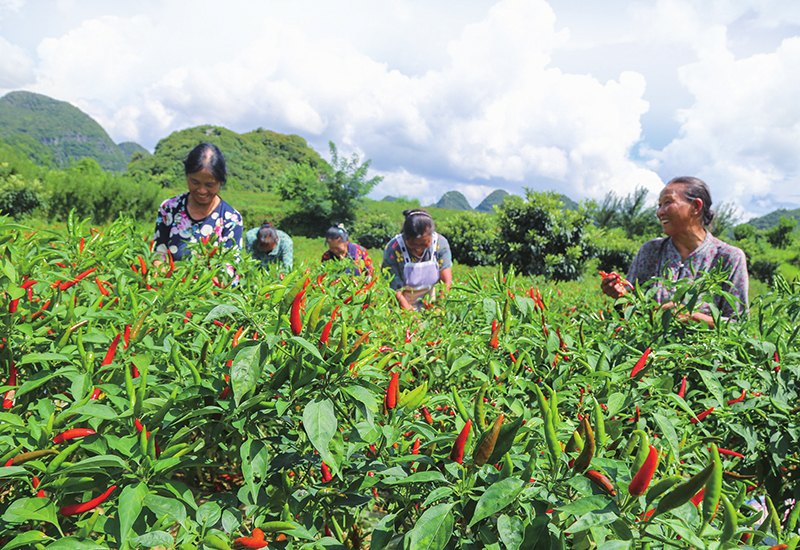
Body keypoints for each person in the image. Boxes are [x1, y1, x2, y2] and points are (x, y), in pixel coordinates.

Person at [601, 177, 749, 327]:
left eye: (668, 203)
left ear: (696, 206)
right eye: (659, 205)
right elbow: (630, 315)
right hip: (650, 349)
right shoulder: (650, 251)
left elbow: (739, 325)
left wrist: (691, 317)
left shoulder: (729, 257)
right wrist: (620, 296)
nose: (659, 212)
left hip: (701, 350)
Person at [153, 143, 243, 263]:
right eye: (195, 182)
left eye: (209, 185)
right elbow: (160, 252)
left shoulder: (231, 219)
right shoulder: (169, 208)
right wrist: (161, 274)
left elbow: (229, 266)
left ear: (221, 180)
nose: (202, 190)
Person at [382, 209, 453, 310]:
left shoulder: (440, 244)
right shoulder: (394, 248)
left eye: (424, 243)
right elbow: (394, 291)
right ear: (405, 236)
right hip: (400, 305)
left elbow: (446, 281)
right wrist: (412, 316)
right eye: (412, 244)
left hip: (429, 303)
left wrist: (438, 310)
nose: (418, 248)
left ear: (431, 236)